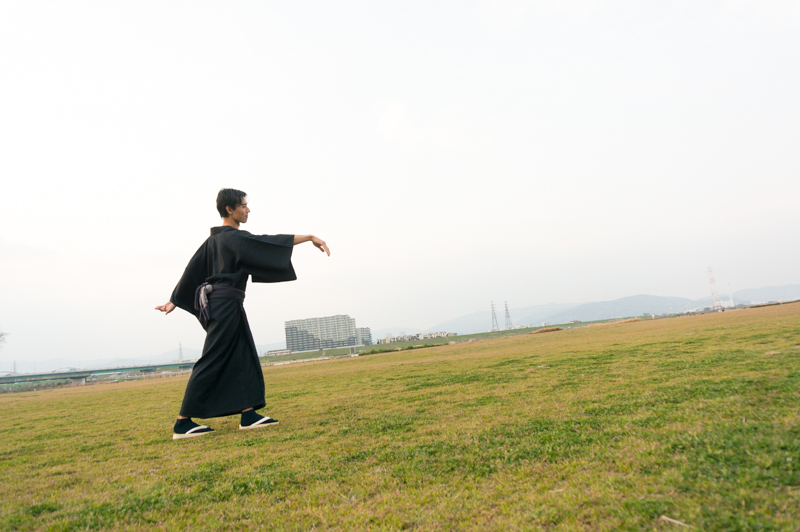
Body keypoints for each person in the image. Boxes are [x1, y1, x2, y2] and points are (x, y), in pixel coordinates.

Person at [155, 188, 329, 440]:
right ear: (229, 209)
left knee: (243, 355)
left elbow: (191, 271)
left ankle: (248, 415)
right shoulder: (233, 238)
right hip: (225, 305)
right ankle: (182, 422)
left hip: (225, 304)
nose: (248, 210)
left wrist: (175, 299)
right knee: (213, 358)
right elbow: (268, 242)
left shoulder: (214, 241)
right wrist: (309, 237)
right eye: (243, 206)